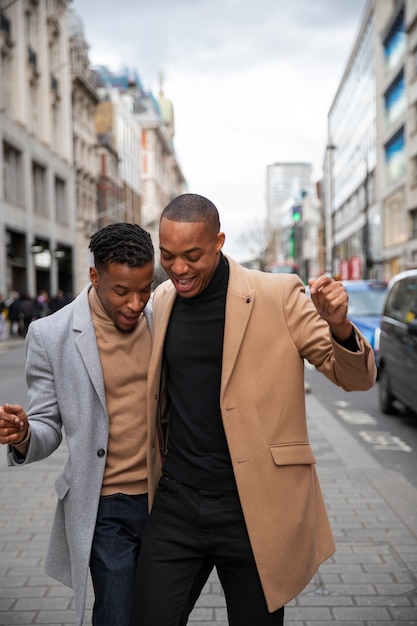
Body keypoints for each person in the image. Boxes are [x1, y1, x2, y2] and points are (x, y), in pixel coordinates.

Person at [132, 193, 377, 626]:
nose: (180, 269)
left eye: (193, 256)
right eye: (168, 256)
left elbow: (354, 378)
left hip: (255, 507)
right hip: (177, 501)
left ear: (219, 241)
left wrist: (339, 325)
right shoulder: (163, 298)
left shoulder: (278, 294)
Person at [0, 223, 158, 626]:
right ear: (94, 275)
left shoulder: (164, 318)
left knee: (160, 612)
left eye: (144, 290)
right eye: (122, 291)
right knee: (117, 613)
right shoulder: (50, 334)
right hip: (104, 504)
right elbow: (46, 425)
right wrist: (24, 435)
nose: (135, 303)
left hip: (166, 498)